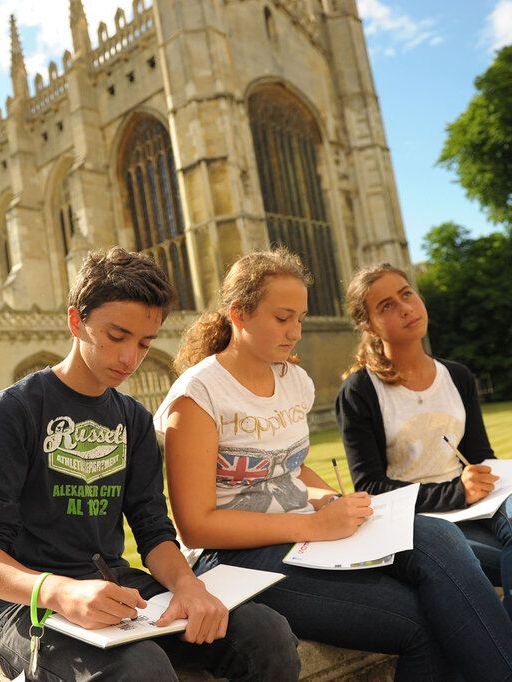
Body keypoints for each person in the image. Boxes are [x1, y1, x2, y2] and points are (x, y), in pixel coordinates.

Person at [154, 247, 512, 682]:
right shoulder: (198, 397)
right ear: (239, 314)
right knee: (423, 621)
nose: (295, 332)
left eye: (301, 319)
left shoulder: (293, 380)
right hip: (234, 559)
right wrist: (313, 526)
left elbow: (292, 468)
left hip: (305, 537)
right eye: (282, 318)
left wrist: (330, 500)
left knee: (438, 537)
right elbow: (196, 526)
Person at [0, 247, 300, 682]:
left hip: (116, 585)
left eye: (144, 343)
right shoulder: (16, 411)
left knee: (265, 633)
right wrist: (59, 590)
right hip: (27, 603)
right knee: (142, 669)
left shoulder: (133, 418)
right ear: (75, 322)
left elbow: (153, 530)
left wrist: (188, 586)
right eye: (116, 336)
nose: (130, 358)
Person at [335, 262, 512, 597]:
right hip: (418, 521)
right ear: (368, 325)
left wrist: (480, 478)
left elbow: (479, 456)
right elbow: (371, 486)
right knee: (482, 564)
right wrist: (456, 492)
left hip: (478, 507)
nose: (405, 308)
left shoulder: (457, 376)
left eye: (406, 294)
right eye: (386, 306)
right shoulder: (360, 391)